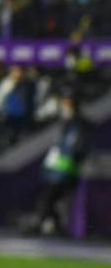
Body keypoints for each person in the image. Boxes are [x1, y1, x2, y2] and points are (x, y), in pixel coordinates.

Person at [29, 89, 88, 237]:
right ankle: (56, 226)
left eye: (66, 102)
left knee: (49, 198)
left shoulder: (78, 124)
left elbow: (74, 148)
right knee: (50, 199)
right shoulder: (66, 122)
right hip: (56, 170)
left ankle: (42, 224)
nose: (63, 105)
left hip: (66, 170)